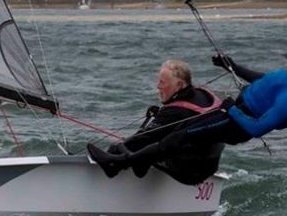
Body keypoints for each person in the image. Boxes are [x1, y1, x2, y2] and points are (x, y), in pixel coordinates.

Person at [87, 44, 287, 177]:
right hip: (233, 111)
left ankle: (119, 163)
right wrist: (233, 66)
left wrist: (231, 110)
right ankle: (140, 162)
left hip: (237, 124)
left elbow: (257, 127)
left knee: (181, 134)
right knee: (182, 129)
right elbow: (265, 80)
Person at [91, 59, 225, 185]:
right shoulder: (204, 95)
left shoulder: (175, 111)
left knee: (120, 147)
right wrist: (156, 119)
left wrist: (114, 151)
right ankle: (139, 164)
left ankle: (119, 167)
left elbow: (141, 139)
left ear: (179, 85)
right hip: (208, 167)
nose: (158, 86)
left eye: (162, 82)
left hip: (188, 173)